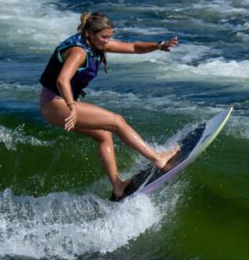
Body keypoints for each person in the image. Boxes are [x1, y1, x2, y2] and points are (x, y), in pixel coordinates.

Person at [39, 11, 181, 201]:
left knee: (104, 135)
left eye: (110, 37)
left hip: (56, 103)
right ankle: (158, 158)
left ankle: (118, 187)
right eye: (104, 37)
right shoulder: (79, 51)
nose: (107, 41)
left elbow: (133, 47)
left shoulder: (96, 43)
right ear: (90, 33)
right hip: (56, 103)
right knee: (117, 121)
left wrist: (158, 46)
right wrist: (72, 106)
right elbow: (62, 80)